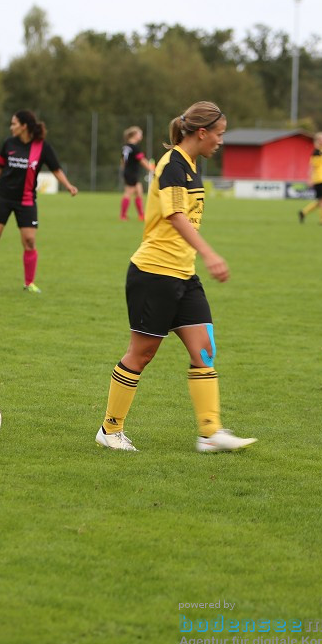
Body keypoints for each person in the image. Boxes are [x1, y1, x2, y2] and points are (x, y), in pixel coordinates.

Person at [96, 101, 256, 453]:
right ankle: (110, 430)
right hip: (154, 273)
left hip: (183, 274)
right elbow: (176, 217)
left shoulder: (192, 165)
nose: (221, 141)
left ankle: (209, 433)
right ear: (202, 132)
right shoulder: (172, 165)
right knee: (141, 354)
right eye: (219, 134)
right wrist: (211, 253)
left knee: (204, 350)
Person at [0, 110, 78, 293]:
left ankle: (29, 283)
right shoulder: (9, 144)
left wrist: (68, 185)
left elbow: (56, 169)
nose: (11, 127)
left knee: (29, 241)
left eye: (14, 124)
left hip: (27, 200)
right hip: (3, 197)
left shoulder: (42, 147)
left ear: (24, 126)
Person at [119, 126, 155, 221]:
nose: (141, 136)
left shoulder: (126, 147)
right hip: (132, 173)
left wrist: (124, 171)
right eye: (140, 134)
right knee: (128, 192)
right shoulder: (134, 147)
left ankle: (141, 215)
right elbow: (142, 160)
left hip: (128, 172)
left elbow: (122, 161)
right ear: (134, 135)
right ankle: (123, 216)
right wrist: (151, 170)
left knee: (139, 192)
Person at [299, 131, 322, 225]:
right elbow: (312, 166)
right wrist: (309, 178)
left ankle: (303, 212)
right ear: (318, 141)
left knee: (321, 200)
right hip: (319, 178)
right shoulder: (317, 153)